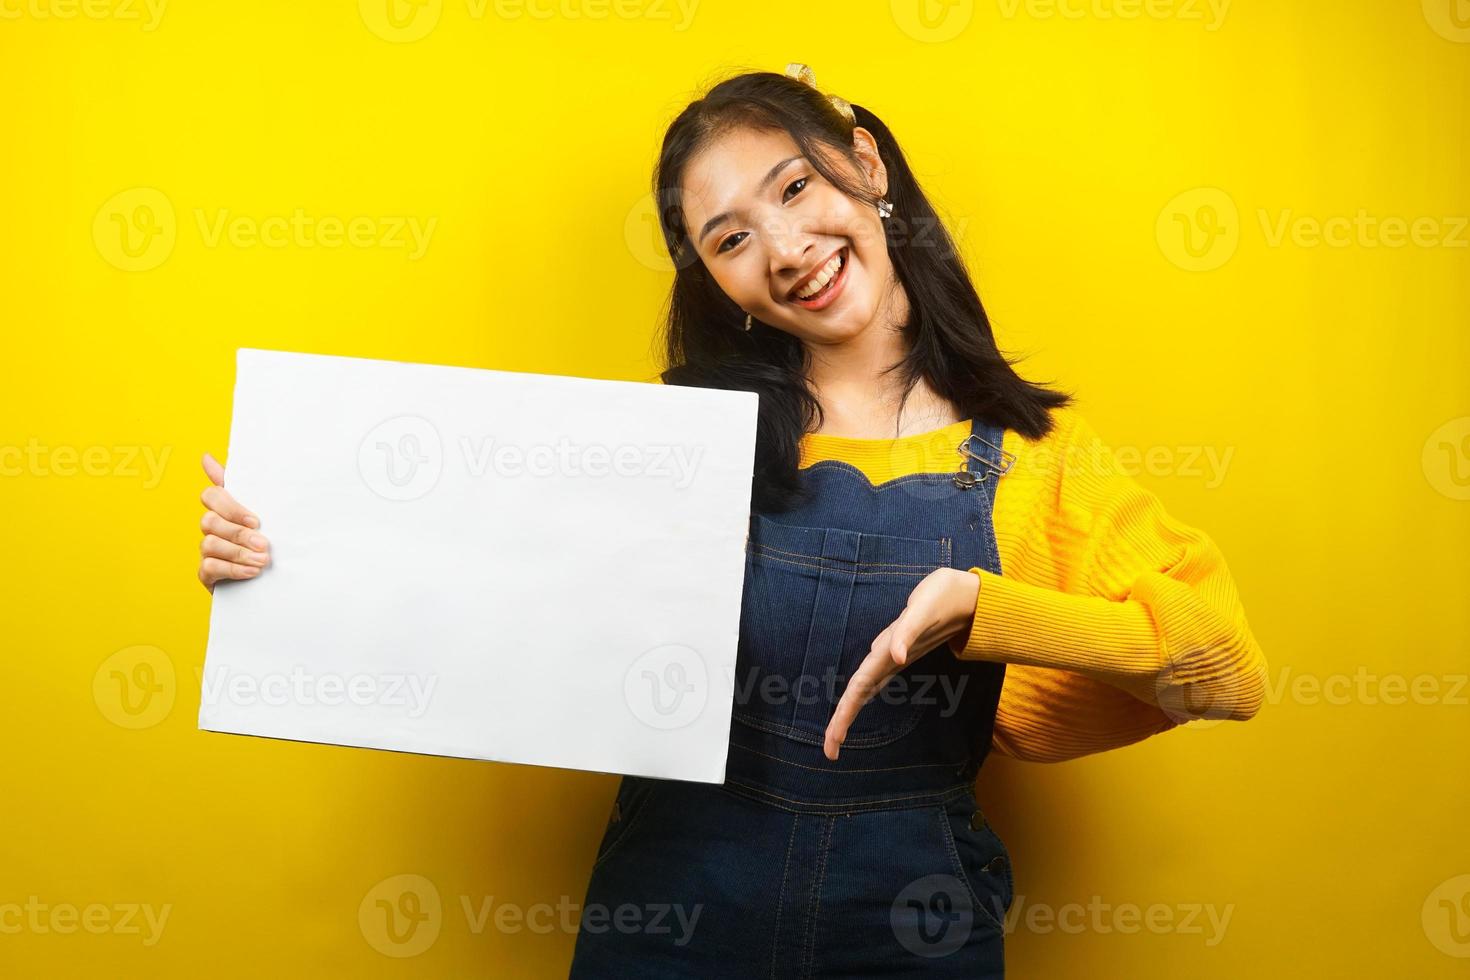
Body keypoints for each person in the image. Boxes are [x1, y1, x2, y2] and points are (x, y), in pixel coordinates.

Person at [195, 63, 1268, 979]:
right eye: (731, 236)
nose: (788, 246)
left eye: (798, 185)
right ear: (715, 279)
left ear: (868, 165)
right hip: (672, 911)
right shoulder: (677, 445)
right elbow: (478, 597)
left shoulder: (1033, 460)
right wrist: (282, 562)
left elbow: (1226, 666)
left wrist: (986, 608)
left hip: (909, 924)